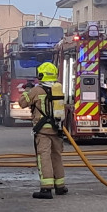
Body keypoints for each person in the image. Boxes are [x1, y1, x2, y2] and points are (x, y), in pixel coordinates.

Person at [19, 62, 67, 199]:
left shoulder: (37, 90)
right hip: (57, 129)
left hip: (43, 131)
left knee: (44, 157)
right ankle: (60, 186)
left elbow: (22, 103)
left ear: (41, 75)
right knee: (57, 156)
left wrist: (28, 90)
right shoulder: (58, 89)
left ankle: (46, 189)